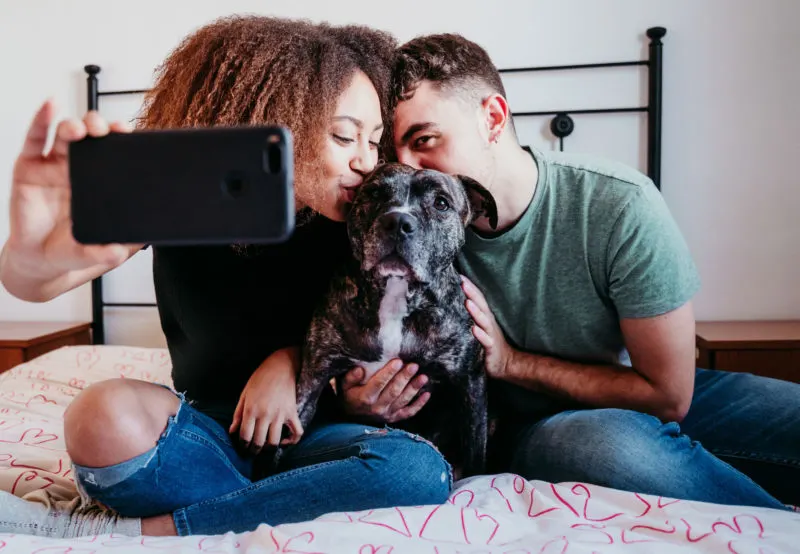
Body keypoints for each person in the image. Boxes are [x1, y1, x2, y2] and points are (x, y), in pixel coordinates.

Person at [0, 15, 452, 538]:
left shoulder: (368, 219)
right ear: (272, 119)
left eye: (373, 141)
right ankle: (270, 502)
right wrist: (36, 254)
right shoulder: (181, 203)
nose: (363, 162)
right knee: (98, 415)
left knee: (418, 470)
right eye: (343, 136)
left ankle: (148, 531)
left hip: (320, 438)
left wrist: (294, 363)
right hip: (204, 437)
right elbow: (29, 284)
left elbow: (392, 337)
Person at [385, 32, 800, 511]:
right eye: (393, 152)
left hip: (638, 389)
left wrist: (511, 361)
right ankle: (778, 529)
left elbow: (668, 395)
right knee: (609, 448)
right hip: (532, 427)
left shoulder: (618, 204)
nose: (408, 168)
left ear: (493, 118)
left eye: (425, 140)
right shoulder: (400, 230)